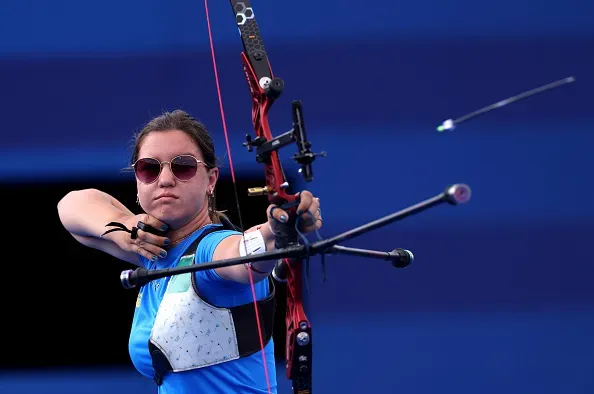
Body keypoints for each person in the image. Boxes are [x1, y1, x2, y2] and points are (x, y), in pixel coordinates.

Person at [57, 109, 322, 394]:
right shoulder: (152, 251)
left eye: (183, 166)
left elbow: (244, 256)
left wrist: (276, 230)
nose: (166, 179)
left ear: (210, 180)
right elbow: (71, 207)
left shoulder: (212, 248)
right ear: (137, 182)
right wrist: (125, 228)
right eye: (150, 168)